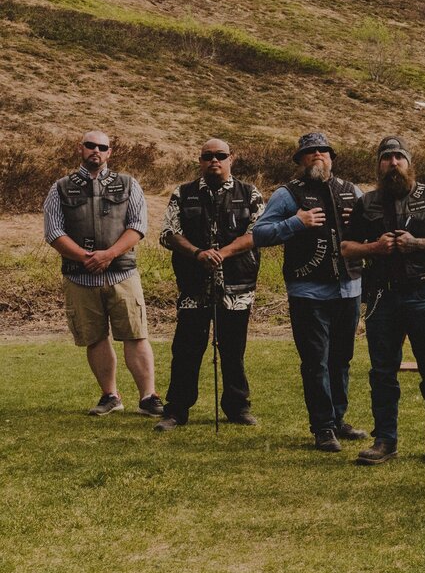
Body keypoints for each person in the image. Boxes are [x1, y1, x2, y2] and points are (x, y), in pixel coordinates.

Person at [342, 136, 425, 466]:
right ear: (378, 164)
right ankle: (385, 440)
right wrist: (374, 248)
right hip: (382, 296)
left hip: (423, 294)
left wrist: (418, 243)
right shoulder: (368, 203)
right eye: (386, 157)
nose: (393, 163)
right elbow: (347, 247)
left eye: (399, 157)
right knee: (382, 371)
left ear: (409, 163)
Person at [252, 132, 368, 452]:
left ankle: (338, 418)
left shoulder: (352, 191)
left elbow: (374, 227)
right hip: (308, 291)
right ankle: (323, 427)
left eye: (323, 151)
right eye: (310, 151)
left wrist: (360, 222)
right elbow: (260, 233)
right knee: (316, 360)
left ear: (332, 156)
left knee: (341, 359)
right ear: (300, 160)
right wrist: (296, 222)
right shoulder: (288, 194)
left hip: (349, 288)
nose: (317, 155)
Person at [43, 131, 162, 417]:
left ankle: (148, 397)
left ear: (110, 152)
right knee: (95, 337)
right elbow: (53, 231)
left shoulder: (128, 184)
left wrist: (109, 254)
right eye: (90, 145)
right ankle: (110, 396)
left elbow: (138, 226)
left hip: (122, 273)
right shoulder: (59, 188)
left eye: (102, 147)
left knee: (135, 334)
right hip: (79, 276)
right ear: (80, 149)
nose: (96, 150)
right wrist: (84, 257)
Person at [155, 139, 265, 431]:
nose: (214, 160)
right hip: (194, 287)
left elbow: (259, 232)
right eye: (208, 156)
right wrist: (197, 253)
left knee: (233, 350)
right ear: (200, 160)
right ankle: (176, 410)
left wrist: (223, 253)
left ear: (232, 159)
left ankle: (237, 406)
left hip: (237, 288)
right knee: (186, 349)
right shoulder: (183, 193)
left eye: (220, 155)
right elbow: (168, 233)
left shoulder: (249, 193)